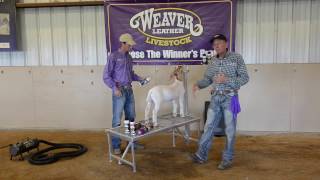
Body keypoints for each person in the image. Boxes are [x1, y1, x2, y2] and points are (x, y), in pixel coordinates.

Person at [191, 34, 249, 170]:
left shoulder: (236, 58)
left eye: (219, 43)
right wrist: (198, 85)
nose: (216, 46)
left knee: (229, 129)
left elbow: (245, 78)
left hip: (230, 98)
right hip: (215, 98)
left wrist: (227, 80)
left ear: (226, 43)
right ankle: (201, 155)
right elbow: (208, 79)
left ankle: (227, 159)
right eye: (214, 44)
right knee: (208, 127)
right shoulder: (213, 61)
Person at [103, 33, 146, 155]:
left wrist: (140, 78)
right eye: (129, 45)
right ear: (123, 43)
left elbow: (131, 74)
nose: (131, 47)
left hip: (129, 90)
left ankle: (131, 142)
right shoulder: (113, 57)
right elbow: (106, 76)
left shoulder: (129, 57)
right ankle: (116, 145)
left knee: (131, 117)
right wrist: (114, 88)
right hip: (119, 91)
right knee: (117, 119)